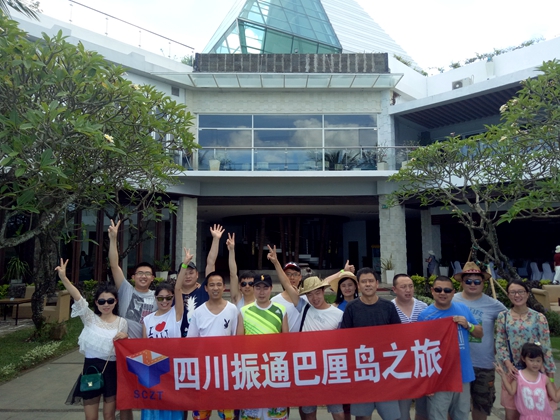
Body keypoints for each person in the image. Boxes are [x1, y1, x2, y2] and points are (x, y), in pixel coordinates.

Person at [57, 258, 128, 420]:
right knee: (91, 417)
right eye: (102, 301)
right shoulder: (89, 319)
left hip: (112, 371)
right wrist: (64, 277)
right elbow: (78, 297)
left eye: (110, 300)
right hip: (91, 370)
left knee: (109, 416)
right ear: (96, 302)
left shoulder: (122, 323)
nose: (106, 304)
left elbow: (124, 349)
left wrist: (126, 337)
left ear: (116, 301)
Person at [417, 276, 483, 420]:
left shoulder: (463, 309)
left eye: (447, 290)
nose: (443, 293)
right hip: (439, 377)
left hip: (463, 374)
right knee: (437, 416)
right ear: (432, 291)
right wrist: (427, 382)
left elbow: (480, 333)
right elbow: (420, 350)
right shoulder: (425, 316)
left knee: (461, 415)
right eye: (438, 289)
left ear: (453, 292)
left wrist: (468, 325)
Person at [340, 267, 402, 420]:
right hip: (362, 370)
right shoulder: (351, 307)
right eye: (363, 282)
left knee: (392, 416)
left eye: (370, 281)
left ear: (377, 283)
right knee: (362, 416)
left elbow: (399, 336)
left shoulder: (388, 306)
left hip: (386, 370)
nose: (367, 284)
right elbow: (345, 338)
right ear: (358, 285)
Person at [495, 279, 556, 420]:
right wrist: (507, 364)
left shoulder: (538, 317)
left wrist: (551, 378)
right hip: (513, 372)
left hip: (534, 372)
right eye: (513, 292)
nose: (517, 295)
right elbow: (500, 343)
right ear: (508, 295)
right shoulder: (503, 317)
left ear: (527, 294)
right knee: (511, 414)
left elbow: (546, 348)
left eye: (521, 292)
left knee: (534, 412)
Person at [452, 262, 506, 420]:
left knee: (482, 406)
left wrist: (497, 343)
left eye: (477, 281)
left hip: (484, 364)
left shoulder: (494, 305)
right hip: (456, 364)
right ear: (462, 282)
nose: (472, 284)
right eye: (468, 281)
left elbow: (509, 324)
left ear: (483, 283)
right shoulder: (451, 300)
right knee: (454, 407)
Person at [187, 271, 243, 420]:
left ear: (224, 287)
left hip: (226, 371)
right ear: (206, 288)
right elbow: (191, 342)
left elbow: (236, 339)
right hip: (204, 372)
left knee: (228, 416)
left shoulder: (232, 309)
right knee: (201, 415)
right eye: (211, 285)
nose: (215, 288)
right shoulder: (198, 312)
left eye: (219, 284)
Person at [239, 274, 288, 420]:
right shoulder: (244, 311)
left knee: (274, 412)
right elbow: (238, 342)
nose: (261, 292)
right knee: (252, 412)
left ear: (271, 289)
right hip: (252, 367)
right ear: (253, 289)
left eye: (265, 288)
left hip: (274, 366)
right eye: (258, 288)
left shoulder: (281, 310)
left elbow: (287, 340)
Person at [297, 276, 344, 420]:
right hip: (308, 367)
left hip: (330, 368)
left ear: (324, 291)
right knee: (310, 411)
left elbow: (344, 342)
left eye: (317, 293)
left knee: (338, 411)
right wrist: (276, 264)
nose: (314, 298)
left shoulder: (338, 314)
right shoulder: (304, 308)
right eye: (309, 294)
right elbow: (286, 284)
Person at [141, 268, 185, 420]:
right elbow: (144, 347)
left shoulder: (176, 313)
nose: (164, 301)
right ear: (155, 298)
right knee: (153, 407)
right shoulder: (148, 320)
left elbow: (178, 288)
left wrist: (184, 266)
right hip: (153, 370)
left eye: (168, 298)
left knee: (172, 406)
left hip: (172, 369)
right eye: (160, 298)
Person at [390, 273, 428, 420]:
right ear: (394, 289)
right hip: (400, 365)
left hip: (422, 364)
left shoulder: (423, 307)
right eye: (403, 287)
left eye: (411, 286)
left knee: (423, 410)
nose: (408, 290)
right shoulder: (389, 308)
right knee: (402, 411)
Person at [177, 224, 224, 337]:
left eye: (191, 273)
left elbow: (211, 263)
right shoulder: (174, 295)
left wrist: (216, 240)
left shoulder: (203, 290)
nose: (188, 276)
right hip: (179, 339)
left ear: (197, 274)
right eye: (184, 274)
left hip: (202, 338)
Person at [495, 342, 559, 419]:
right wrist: (503, 376)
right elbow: (511, 391)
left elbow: (556, 398)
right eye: (531, 360)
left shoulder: (544, 379)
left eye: (538, 361)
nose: (535, 364)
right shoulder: (519, 376)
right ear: (523, 359)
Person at [269, 251, 305, 332]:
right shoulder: (275, 301)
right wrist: (276, 262)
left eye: (295, 274)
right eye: (288, 274)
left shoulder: (307, 298)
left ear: (300, 277)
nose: (292, 277)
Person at [226, 232, 255, 308]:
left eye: (251, 283)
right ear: (239, 286)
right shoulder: (237, 299)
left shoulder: (260, 302)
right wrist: (231, 250)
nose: (247, 286)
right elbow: (233, 274)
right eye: (244, 284)